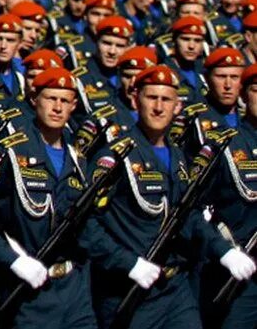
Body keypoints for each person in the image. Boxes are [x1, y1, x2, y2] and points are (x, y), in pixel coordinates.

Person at [82, 64, 256, 329]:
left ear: (177, 107)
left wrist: (224, 252)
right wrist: (128, 263)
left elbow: (190, 215)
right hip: (130, 289)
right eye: (152, 97)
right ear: (134, 98)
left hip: (175, 289)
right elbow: (86, 224)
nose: (159, 107)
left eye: (166, 100)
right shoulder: (116, 156)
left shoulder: (178, 157)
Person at [0, 67, 95, 329]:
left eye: (64, 101)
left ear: (74, 106)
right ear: (34, 99)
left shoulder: (78, 158)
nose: (57, 108)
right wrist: (12, 260)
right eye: (51, 99)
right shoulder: (10, 152)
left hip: (74, 290)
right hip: (27, 292)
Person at [199, 63, 257, 328]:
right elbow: (195, 210)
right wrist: (225, 250)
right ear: (244, 96)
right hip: (240, 274)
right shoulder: (223, 143)